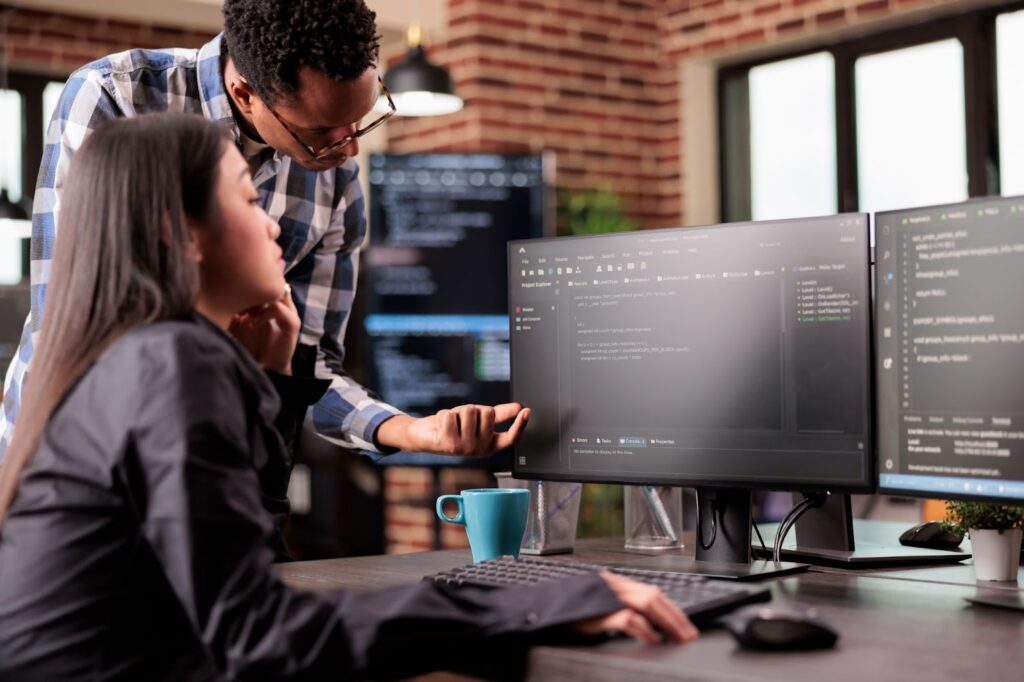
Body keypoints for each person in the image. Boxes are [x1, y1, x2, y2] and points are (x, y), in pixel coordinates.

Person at [0, 113, 698, 680]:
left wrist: (275, 385)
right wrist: (534, 605)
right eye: (248, 198)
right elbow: (258, 638)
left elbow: (241, 568)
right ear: (179, 233)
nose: (274, 223)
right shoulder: (172, 363)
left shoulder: (129, 358)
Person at [0, 0, 523, 463]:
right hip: (70, 451)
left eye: (362, 121)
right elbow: (76, 319)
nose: (349, 152)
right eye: (320, 134)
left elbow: (310, 369)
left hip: (212, 458)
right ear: (245, 94)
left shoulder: (335, 180)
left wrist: (411, 430)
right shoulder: (119, 96)